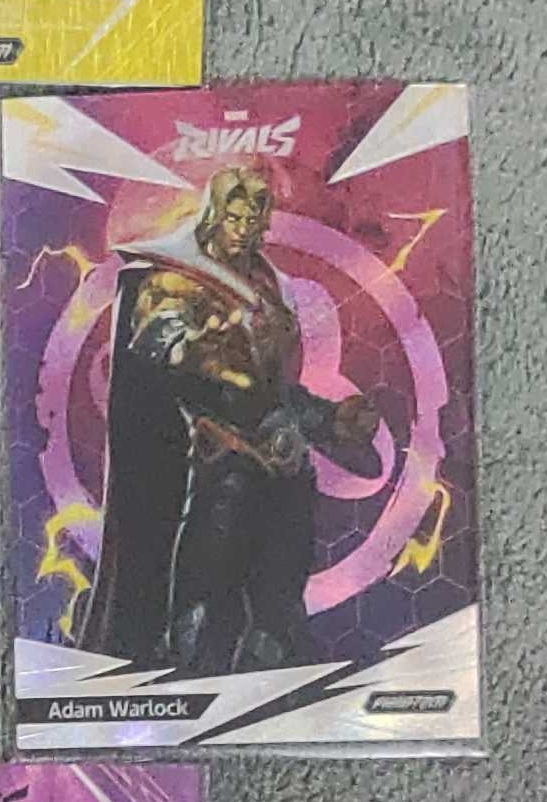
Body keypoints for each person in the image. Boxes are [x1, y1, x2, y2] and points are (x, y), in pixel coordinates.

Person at [75, 167, 380, 672]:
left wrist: (331, 420)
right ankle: (188, 680)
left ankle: (273, 692)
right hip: (224, 465)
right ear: (214, 216)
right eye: (233, 218)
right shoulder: (177, 278)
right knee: (205, 606)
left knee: (278, 609)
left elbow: (274, 392)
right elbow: (154, 343)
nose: (242, 229)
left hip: (285, 468)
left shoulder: (268, 285)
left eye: (252, 220)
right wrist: (192, 349)